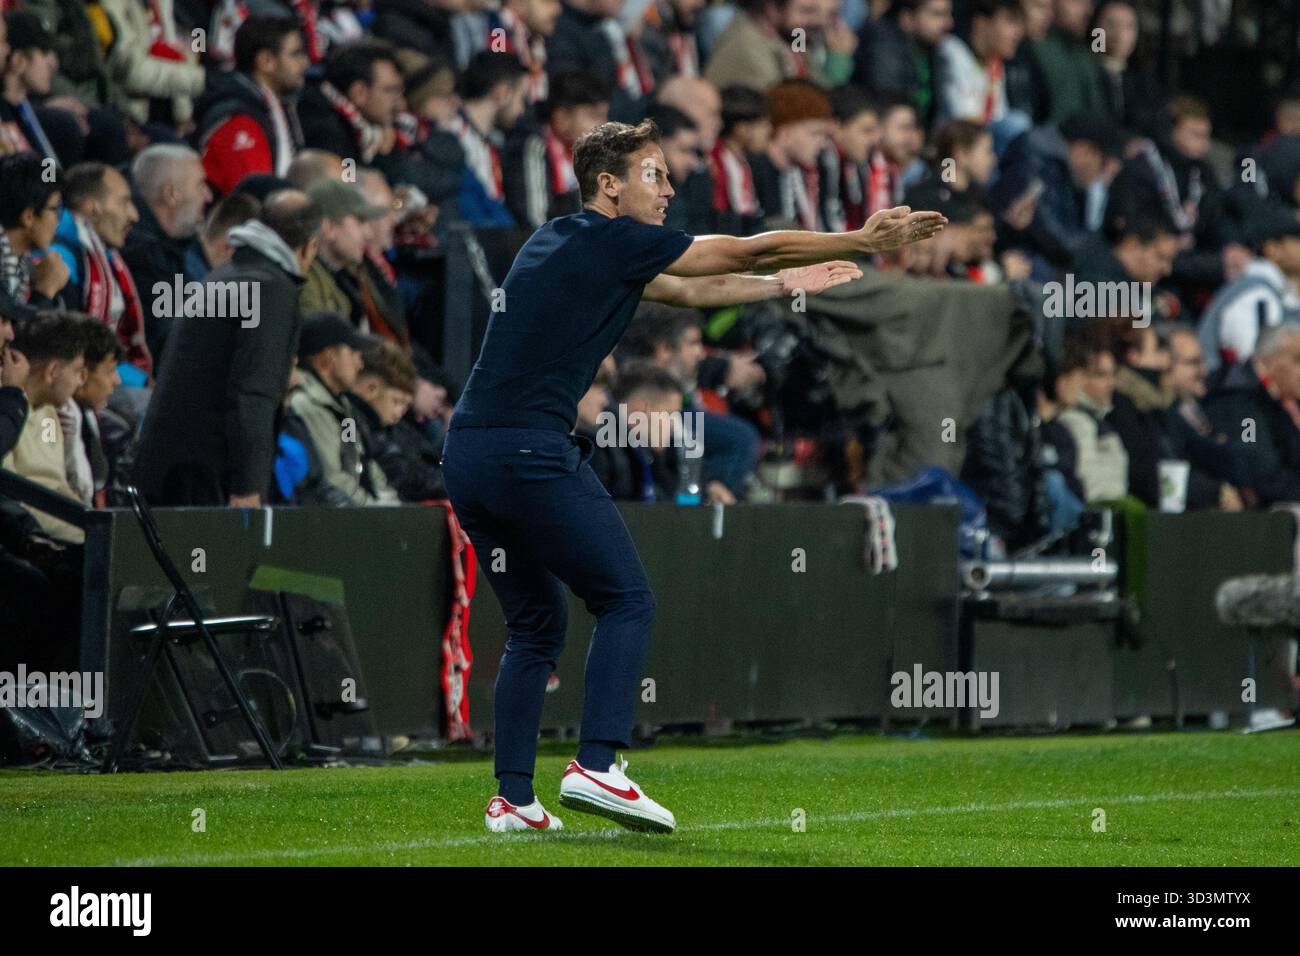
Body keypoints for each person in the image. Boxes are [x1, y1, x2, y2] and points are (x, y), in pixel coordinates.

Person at [440, 116, 943, 833]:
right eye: (656, 174)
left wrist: (779, 286)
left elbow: (688, 292)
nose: (671, 188)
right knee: (627, 600)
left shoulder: (556, 241)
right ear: (608, 186)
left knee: (534, 626)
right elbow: (746, 244)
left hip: (470, 455)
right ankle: (598, 765)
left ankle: (513, 799)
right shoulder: (614, 238)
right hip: (529, 450)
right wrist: (861, 239)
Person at [132, 190, 321, 506]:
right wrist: (248, 486)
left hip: (171, 473)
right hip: (206, 479)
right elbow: (253, 393)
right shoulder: (272, 289)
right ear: (309, 246)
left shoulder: (224, 275)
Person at [287, 312, 399, 505]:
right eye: (353, 353)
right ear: (328, 357)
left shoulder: (342, 406)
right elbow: (332, 478)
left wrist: (390, 503)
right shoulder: (307, 404)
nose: (360, 363)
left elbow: (359, 460)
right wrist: (379, 512)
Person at [195, 16, 310, 196]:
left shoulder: (275, 106)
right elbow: (256, 197)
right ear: (266, 61)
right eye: (296, 54)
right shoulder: (238, 120)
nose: (305, 63)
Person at [122, 145, 215, 367]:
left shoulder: (175, 244)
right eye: (200, 184)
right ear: (171, 194)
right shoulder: (141, 254)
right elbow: (169, 342)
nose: (209, 196)